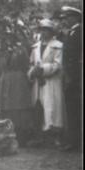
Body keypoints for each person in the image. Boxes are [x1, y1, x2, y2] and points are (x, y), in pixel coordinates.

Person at [28, 19, 65, 147]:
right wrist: (33, 72)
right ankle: (40, 137)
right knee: (39, 106)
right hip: (38, 82)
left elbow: (58, 64)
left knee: (52, 108)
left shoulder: (58, 45)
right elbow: (31, 63)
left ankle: (55, 137)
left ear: (51, 32)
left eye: (47, 30)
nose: (44, 32)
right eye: (42, 30)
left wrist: (43, 69)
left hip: (51, 81)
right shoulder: (35, 46)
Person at [0, 33, 34, 146]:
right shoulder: (1, 52)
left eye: (9, 39)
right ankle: (6, 137)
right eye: (4, 39)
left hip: (18, 81)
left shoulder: (21, 50)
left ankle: (21, 137)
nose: (6, 42)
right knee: (6, 108)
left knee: (19, 108)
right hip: (5, 81)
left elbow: (26, 66)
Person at [59, 6, 82, 152]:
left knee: (75, 109)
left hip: (76, 77)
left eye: (67, 17)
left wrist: (72, 77)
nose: (65, 20)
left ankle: (75, 142)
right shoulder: (72, 33)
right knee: (72, 109)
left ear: (75, 18)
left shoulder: (79, 32)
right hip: (70, 76)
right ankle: (74, 141)